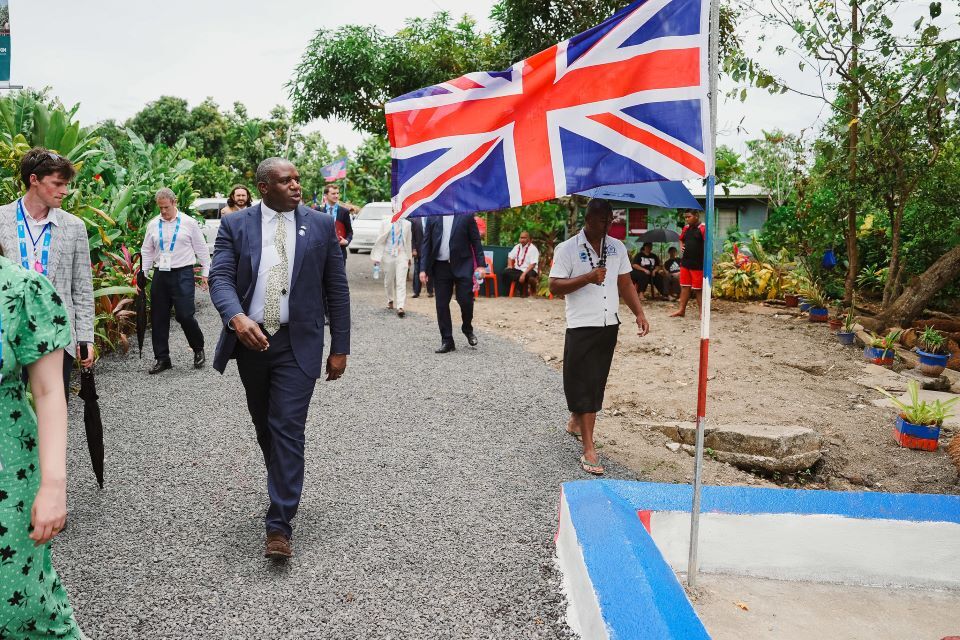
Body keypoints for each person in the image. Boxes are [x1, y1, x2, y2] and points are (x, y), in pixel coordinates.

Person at [210, 158, 350, 559]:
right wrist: (236, 318)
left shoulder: (321, 225)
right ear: (262, 188)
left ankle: (279, 523)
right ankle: (285, 481)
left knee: (287, 425)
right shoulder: (236, 226)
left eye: (297, 179)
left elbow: (336, 289)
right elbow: (219, 277)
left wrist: (340, 347)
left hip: (298, 343)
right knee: (265, 426)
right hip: (252, 340)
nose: (295, 185)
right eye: (285, 180)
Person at [0, 249, 86, 637]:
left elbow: (50, 391)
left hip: (9, 473)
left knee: (19, 601)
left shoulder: (19, 290)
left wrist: (54, 486)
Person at [549, 199, 650, 476]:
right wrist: (587, 277)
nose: (607, 225)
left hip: (609, 324)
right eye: (602, 219)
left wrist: (639, 313)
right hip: (582, 324)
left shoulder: (617, 247)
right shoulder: (567, 248)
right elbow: (554, 285)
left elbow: (625, 283)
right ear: (588, 218)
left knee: (595, 381)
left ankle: (576, 421)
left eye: (610, 220)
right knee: (580, 379)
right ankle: (589, 449)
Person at [0, 148, 95, 398]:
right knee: (9, 413)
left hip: (56, 334)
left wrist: (86, 337)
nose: (64, 191)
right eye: (57, 183)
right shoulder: (1, 219)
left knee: (53, 408)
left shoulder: (74, 227)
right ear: (34, 179)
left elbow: (82, 287)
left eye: (65, 184)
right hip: (8, 333)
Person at [140, 188, 211, 374]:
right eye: (160, 208)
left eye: (166, 207)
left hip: (183, 273)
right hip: (160, 274)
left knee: (185, 315)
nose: (163, 211)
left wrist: (206, 271)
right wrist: (143, 272)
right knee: (158, 317)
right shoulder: (153, 224)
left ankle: (198, 348)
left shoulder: (189, 222)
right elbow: (147, 250)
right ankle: (162, 358)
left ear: (174, 203)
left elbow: (201, 248)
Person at [419, 214, 485, 353]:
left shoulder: (466, 215)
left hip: (463, 264)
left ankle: (467, 328)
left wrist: (480, 265)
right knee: (441, 304)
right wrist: (423, 269)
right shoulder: (433, 216)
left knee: (466, 300)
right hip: (440, 266)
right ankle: (447, 340)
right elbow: (426, 244)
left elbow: (475, 240)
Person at [371, 215, 413, 317]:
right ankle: (390, 299)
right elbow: (380, 241)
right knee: (389, 280)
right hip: (388, 254)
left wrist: (409, 257)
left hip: (401, 254)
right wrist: (377, 257)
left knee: (401, 280)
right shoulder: (385, 222)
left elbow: (408, 242)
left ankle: (400, 306)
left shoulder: (407, 224)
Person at [670, 209, 706, 318]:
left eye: (688, 217)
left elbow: (708, 244)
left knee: (698, 289)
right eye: (685, 217)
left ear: (696, 216)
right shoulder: (686, 228)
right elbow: (681, 239)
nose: (686, 219)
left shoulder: (703, 228)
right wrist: (681, 246)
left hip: (698, 264)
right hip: (685, 262)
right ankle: (681, 310)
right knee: (684, 287)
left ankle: (702, 313)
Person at [316, 184, 353, 262]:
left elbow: (349, 232)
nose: (336, 196)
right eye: (333, 193)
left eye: (337, 193)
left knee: (339, 274)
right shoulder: (318, 210)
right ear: (326, 195)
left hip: (339, 252)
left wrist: (346, 241)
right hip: (321, 253)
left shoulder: (344, 212)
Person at [502, 231, 541, 297]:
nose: (522, 239)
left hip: (530, 270)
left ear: (528, 239)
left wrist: (523, 274)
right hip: (518, 270)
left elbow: (533, 265)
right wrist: (509, 265)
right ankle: (522, 291)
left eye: (524, 238)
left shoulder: (533, 249)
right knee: (505, 272)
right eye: (521, 238)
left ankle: (529, 290)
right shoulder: (517, 247)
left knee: (530, 277)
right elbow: (510, 256)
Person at [410, 216, 433, 298]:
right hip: (418, 250)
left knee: (430, 270)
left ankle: (430, 291)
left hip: (430, 250)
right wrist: (413, 249)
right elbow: (412, 236)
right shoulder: (414, 220)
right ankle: (416, 291)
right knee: (417, 271)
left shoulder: (432, 218)